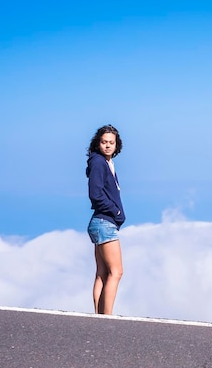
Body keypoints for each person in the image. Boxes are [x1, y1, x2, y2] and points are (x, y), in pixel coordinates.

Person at [86, 124, 126, 315]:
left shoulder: (105, 163)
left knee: (102, 273)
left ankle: (99, 317)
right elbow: (95, 194)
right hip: (104, 223)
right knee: (116, 272)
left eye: (111, 142)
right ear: (98, 143)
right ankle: (107, 318)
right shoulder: (99, 163)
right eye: (104, 142)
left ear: (116, 145)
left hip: (101, 223)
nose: (108, 146)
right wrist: (116, 212)